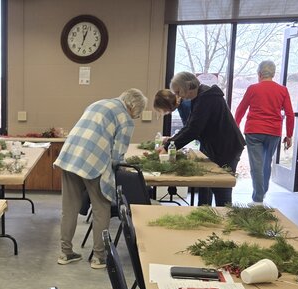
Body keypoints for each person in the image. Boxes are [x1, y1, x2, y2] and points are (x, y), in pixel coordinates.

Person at [54, 88, 147, 269]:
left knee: (69, 208)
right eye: (138, 113)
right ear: (134, 107)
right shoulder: (125, 119)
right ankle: (99, 257)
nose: (136, 116)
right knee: (101, 208)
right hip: (94, 162)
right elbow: (117, 156)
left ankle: (65, 253)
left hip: (70, 156)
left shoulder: (98, 103)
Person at [164, 72, 245, 206]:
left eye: (178, 92)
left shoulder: (206, 98)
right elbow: (190, 126)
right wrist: (170, 142)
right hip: (216, 146)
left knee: (221, 186)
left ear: (187, 86)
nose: (178, 96)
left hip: (227, 147)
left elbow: (193, 130)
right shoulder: (200, 97)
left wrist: (168, 146)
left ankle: (224, 218)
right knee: (206, 183)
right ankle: (204, 211)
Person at [234, 61, 294, 204]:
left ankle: (258, 199)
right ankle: (262, 194)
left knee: (257, 165)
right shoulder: (283, 90)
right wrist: (289, 135)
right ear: (273, 74)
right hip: (274, 132)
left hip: (254, 131)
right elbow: (290, 114)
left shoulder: (253, 89)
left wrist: (235, 127)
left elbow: (240, 110)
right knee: (266, 164)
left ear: (259, 74)